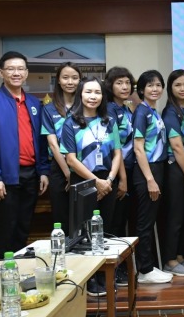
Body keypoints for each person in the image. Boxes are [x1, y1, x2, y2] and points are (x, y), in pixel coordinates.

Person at [0, 51, 49, 258]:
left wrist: (43, 171)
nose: (16, 73)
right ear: (1, 73)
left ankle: (19, 274)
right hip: (6, 177)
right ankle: (5, 275)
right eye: (10, 69)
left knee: (24, 227)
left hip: (31, 175)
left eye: (20, 69)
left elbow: (41, 141)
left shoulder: (34, 104)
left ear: (26, 73)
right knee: (7, 228)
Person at [61, 77, 122, 297]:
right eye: (88, 92)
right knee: (84, 234)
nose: (93, 96)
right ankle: (90, 280)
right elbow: (70, 159)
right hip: (83, 182)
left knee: (104, 232)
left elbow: (117, 153)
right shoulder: (71, 122)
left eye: (97, 92)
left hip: (108, 179)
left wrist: (110, 179)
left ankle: (106, 276)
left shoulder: (109, 121)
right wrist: (96, 182)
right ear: (80, 95)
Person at [131, 70, 172, 284]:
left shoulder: (153, 112)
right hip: (147, 172)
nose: (155, 89)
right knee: (145, 222)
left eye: (158, 85)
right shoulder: (141, 112)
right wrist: (149, 179)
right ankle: (144, 270)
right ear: (141, 89)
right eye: (150, 85)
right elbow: (138, 149)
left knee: (150, 220)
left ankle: (148, 267)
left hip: (156, 168)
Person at [160, 70, 184, 277]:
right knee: (175, 214)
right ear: (170, 89)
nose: (183, 89)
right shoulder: (170, 112)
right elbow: (176, 146)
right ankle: (170, 260)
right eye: (178, 85)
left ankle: (180, 255)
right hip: (177, 167)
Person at [40, 62, 81, 234]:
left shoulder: (85, 106)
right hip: (59, 168)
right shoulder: (49, 109)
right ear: (58, 81)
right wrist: (67, 173)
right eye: (65, 77)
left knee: (83, 218)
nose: (70, 82)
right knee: (61, 218)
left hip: (84, 166)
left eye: (74, 78)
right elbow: (53, 144)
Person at [103, 66, 134, 286]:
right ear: (110, 86)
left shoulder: (128, 109)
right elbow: (117, 147)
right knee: (112, 224)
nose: (124, 87)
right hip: (116, 173)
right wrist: (122, 179)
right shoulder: (109, 110)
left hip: (130, 170)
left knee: (122, 222)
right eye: (119, 83)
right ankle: (110, 271)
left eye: (127, 83)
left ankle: (120, 268)